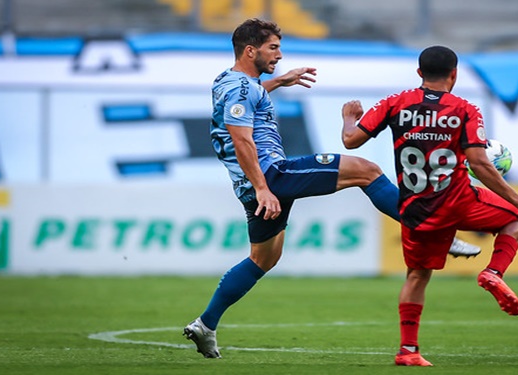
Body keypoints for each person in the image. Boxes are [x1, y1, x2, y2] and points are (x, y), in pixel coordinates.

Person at [182, 19, 479, 359]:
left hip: (253, 183)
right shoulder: (242, 88)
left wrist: (279, 81)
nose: (279, 54)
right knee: (366, 171)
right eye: (273, 48)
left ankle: (206, 324)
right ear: (251, 50)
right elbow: (240, 138)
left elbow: (245, 101)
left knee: (264, 258)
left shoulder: (230, 81)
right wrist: (264, 187)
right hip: (269, 175)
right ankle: (434, 228)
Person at [340, 45, 518, 366]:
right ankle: (493, 272)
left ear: (419, 73)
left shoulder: (394, 103)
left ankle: (408, 351)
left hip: (414, 207)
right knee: (513, 221)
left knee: (417, 276)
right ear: (455, 73)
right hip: (457, 199)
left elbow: (351, 141)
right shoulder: (465, 109)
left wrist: (348, 119)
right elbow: (479, 162)